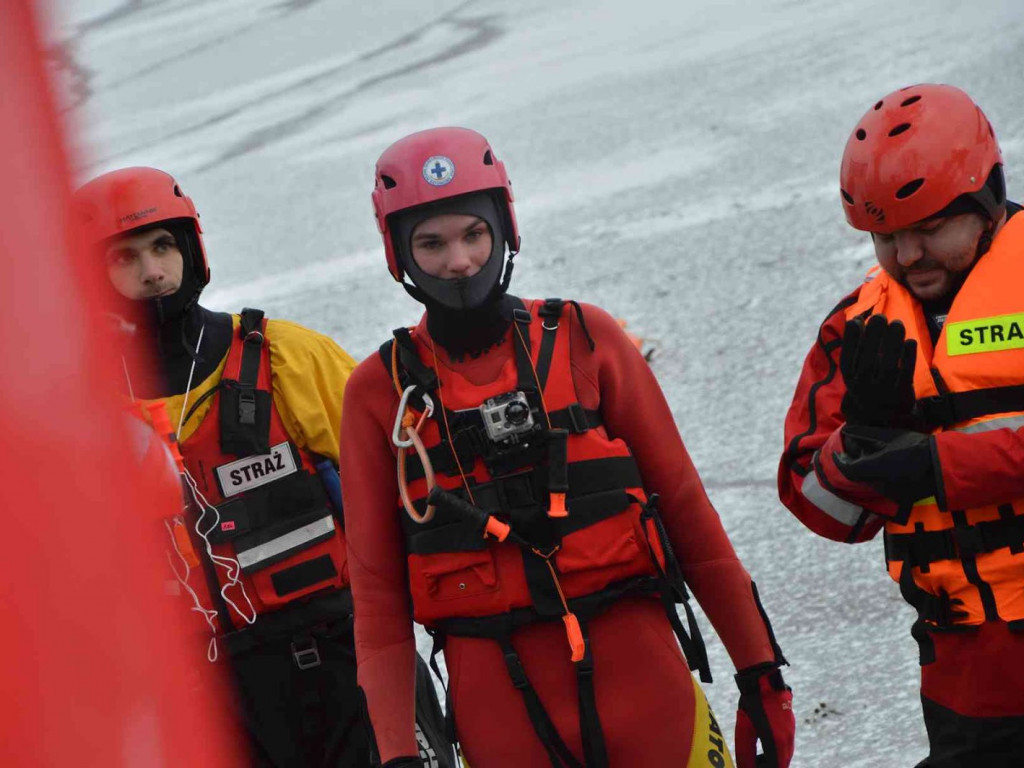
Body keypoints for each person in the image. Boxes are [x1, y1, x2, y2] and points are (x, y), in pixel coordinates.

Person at [340, 126, 796, 768]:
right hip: (502, 722)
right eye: (432, 244)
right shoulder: (377, 395)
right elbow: (379, 605)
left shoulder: (588, 340)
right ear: (400, 255)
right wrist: (397, 756)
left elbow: (692, 518)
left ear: (506, 229)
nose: (460, 262)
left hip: (650, 699)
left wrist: (761, 673)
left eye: (474, 234)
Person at [73, 167, 453, 768]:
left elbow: (419, 484)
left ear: (192, 249)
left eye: (163, 247)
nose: (152, 272)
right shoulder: (80, 417)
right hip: (200, 702)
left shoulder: (286, 357)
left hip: (343, 664)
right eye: (125, 258)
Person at [778, 83, 1024, 767]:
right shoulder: (856, 329)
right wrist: (858, 445)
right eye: (886, 235)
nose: (908, 255)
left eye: (927, 229)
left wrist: (934, 468)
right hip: (964, 680)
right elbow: (822, 510)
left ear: (989, 199)